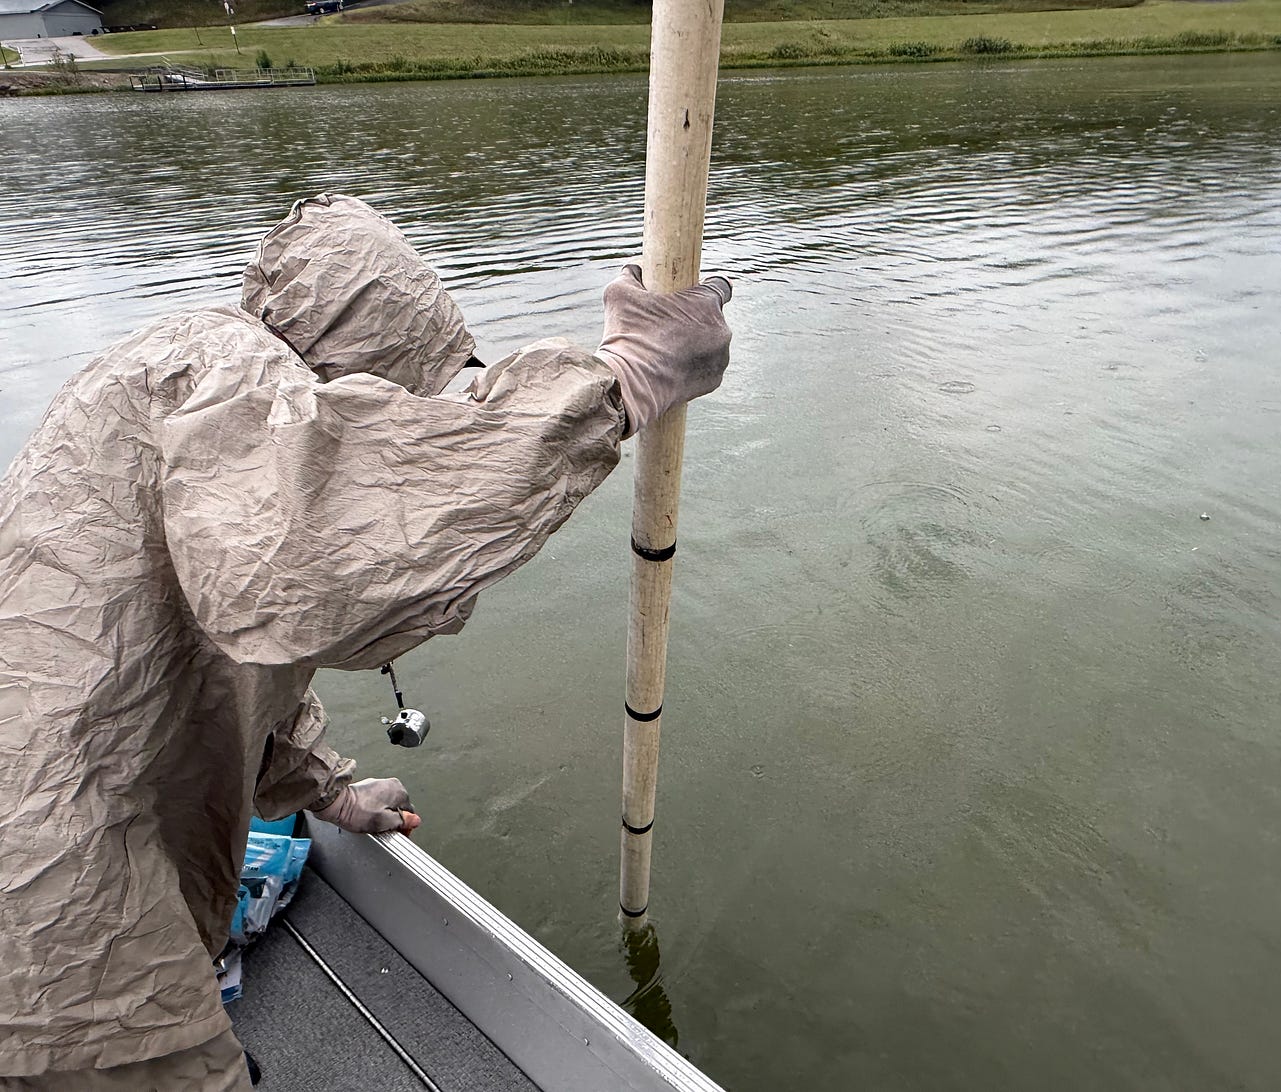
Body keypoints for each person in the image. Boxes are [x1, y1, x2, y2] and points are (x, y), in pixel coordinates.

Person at [0, 193, 732, 1090]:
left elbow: (223, 657)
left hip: (76, 834)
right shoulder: (227, 372)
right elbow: (341, 560)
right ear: (360, 346)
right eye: (404, 388)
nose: (407, 412)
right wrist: (622, 382)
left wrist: (330, 793)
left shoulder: (181, 378)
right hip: (55, 894)